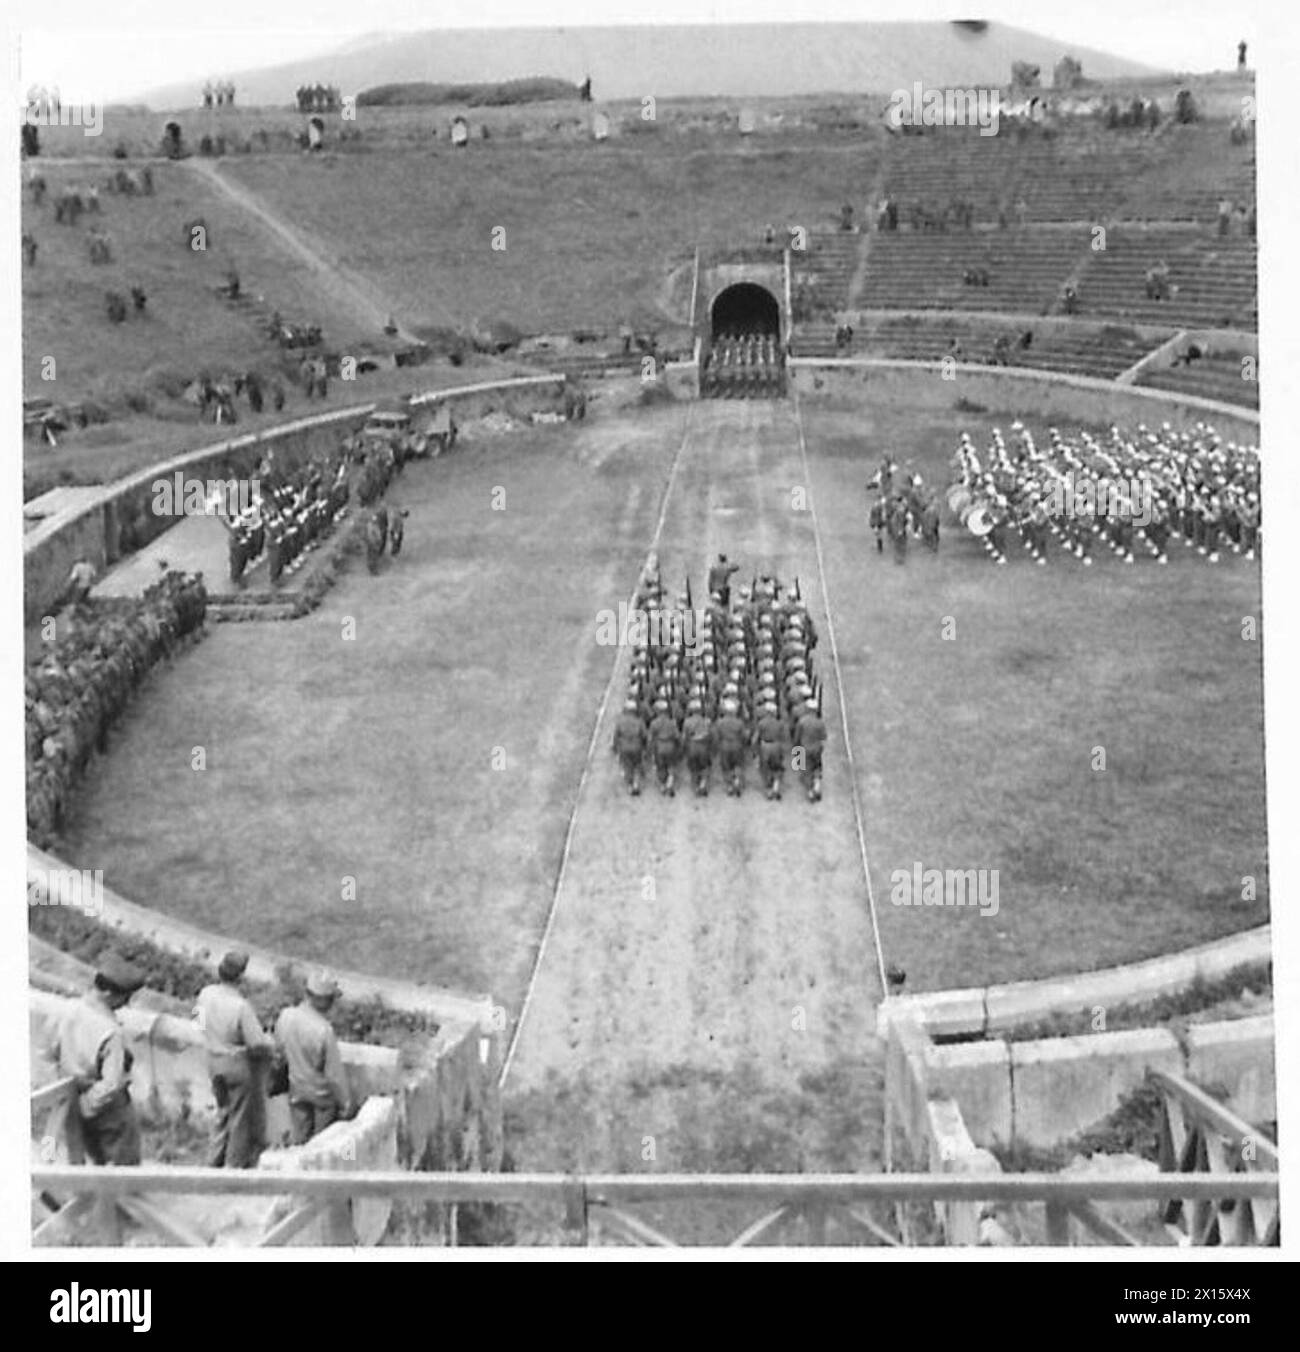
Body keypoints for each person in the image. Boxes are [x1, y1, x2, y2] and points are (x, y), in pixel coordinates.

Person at [48, 952, 146, 1165]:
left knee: (87, 1164)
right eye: (125, 997)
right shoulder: (110, 1032)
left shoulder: (67, 1009)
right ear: (110, 993)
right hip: (108, 1113)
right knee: (123, 1175)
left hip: (70, 1099)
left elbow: (49, 1052)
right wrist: (86, 1107)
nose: (126, 1003)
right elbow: (111, 1084)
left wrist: (73, 1103)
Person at [194, 950, 275, 1168]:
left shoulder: (205, 994)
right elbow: (256, 1043)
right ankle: (233, 1165)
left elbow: (199, 1024)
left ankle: (213, 1160)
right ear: (240, 978)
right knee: (239, 1118)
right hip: (235, 1064)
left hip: (212, 1058)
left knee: (222, 1112)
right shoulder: (240, 1006)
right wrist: (270, 1041)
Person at [274, 973, 352, 1146]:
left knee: (299, 1142)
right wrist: (345, 1104)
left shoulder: (286, 1016)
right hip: (321, 1096)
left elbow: (279, 1051)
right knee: (320, 1145)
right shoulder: (324, 1030)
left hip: (296, 1088)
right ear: (324, 1000)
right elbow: (334, 1075)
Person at [611, 698, 646, 795]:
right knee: (637, 765)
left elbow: (616, 736)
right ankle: (636, 784)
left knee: (627, 766)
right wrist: (644, 747)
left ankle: (630, 786)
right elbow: (644, 735)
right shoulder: (639, 722)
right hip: (636, 747)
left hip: (624, 747)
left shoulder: (620, 722)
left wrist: (615, 747)